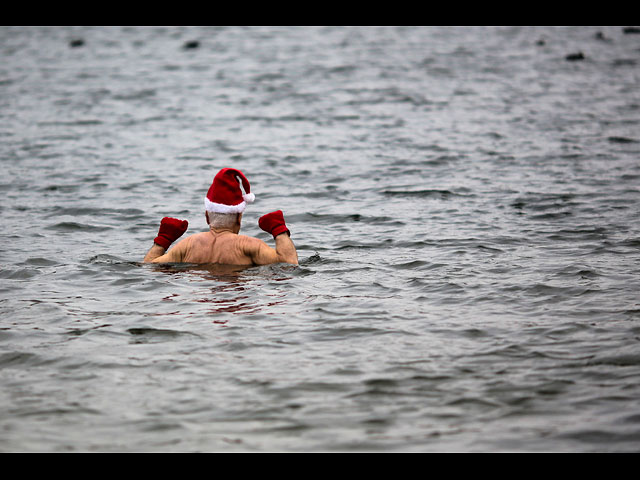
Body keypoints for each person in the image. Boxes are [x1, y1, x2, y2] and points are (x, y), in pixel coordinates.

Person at [143, 168, 298, 266]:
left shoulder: (187, 246)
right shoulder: (248, 245)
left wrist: (163, 240)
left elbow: (149, 266)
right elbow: (289, 264)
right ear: (239, 217)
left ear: (207, 217)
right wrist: (279, 230)